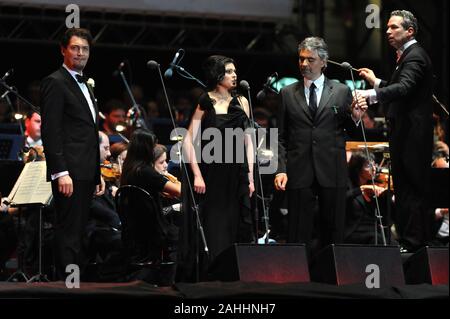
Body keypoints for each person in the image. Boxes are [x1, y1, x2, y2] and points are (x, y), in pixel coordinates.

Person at [274, 37, 367, 255]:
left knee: (333, 230)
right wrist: (281, 168)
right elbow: (280, 137)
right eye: (301, 59)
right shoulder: (287, 93)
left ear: (323, 62)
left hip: (332, 169)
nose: (304, 64)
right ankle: (297, 279)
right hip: (299, 170)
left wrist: (356, 118)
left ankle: (330, 278)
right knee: (297, 230)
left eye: (310, 60)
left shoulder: (342, 91)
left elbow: (353, 132)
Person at [357, 10, 434, 252]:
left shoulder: (415, 57)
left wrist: (370, 95)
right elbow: (401, 88)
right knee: (404, 188)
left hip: (412, 135)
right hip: (405, 134)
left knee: (410, 189)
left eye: (393, 28)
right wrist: (376, 82)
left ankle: (413, 245)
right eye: (387, 27)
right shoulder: (408, 56)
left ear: (409, 31)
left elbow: (405, 87)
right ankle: (410, 243)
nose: (388, 32)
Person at [178, 55, 255, 281]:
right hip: (211, 175)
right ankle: (212, 278)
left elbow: (248, 142)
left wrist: (250, 176)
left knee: (235, 225)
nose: (234, 75)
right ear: (217, 75)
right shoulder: (206, 100)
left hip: (237, 174)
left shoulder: (242, 101)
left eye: (234, 71)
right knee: (214, 227)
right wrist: (197, 175)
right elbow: (188, 140)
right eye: (229, 71)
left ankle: (233, 278)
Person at [40, 28, 104, 279]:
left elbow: (88, 134)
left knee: (79, 231)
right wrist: (60, 171)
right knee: (68, 231)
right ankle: (66, 286)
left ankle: (76, 284)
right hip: (69, 171)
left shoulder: (86, 84)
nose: (80, 53)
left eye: (85, 49)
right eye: (75, 48)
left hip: (87, 170)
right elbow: (51, 131)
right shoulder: (55, 82)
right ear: (63, 50)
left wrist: (97, 172)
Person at [119, 130, 181, 264]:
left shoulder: (129, 170)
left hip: (133, 229)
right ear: (146, 149)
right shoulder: (146, 172)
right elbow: (179, 191)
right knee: (186, 232)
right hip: (152, 230)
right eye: (153, 146)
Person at [345, 151, 395, 245]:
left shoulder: (375, 183)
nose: (374, 168)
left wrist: (391, 198)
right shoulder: (348, 185)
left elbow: (385, 214)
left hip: (373, 228)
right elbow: (343, 200)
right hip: (354, 229)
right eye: (368, 165)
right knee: (377, 240)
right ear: (358, 168)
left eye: (374, 164)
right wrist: (361, 189)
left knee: (392, 243)